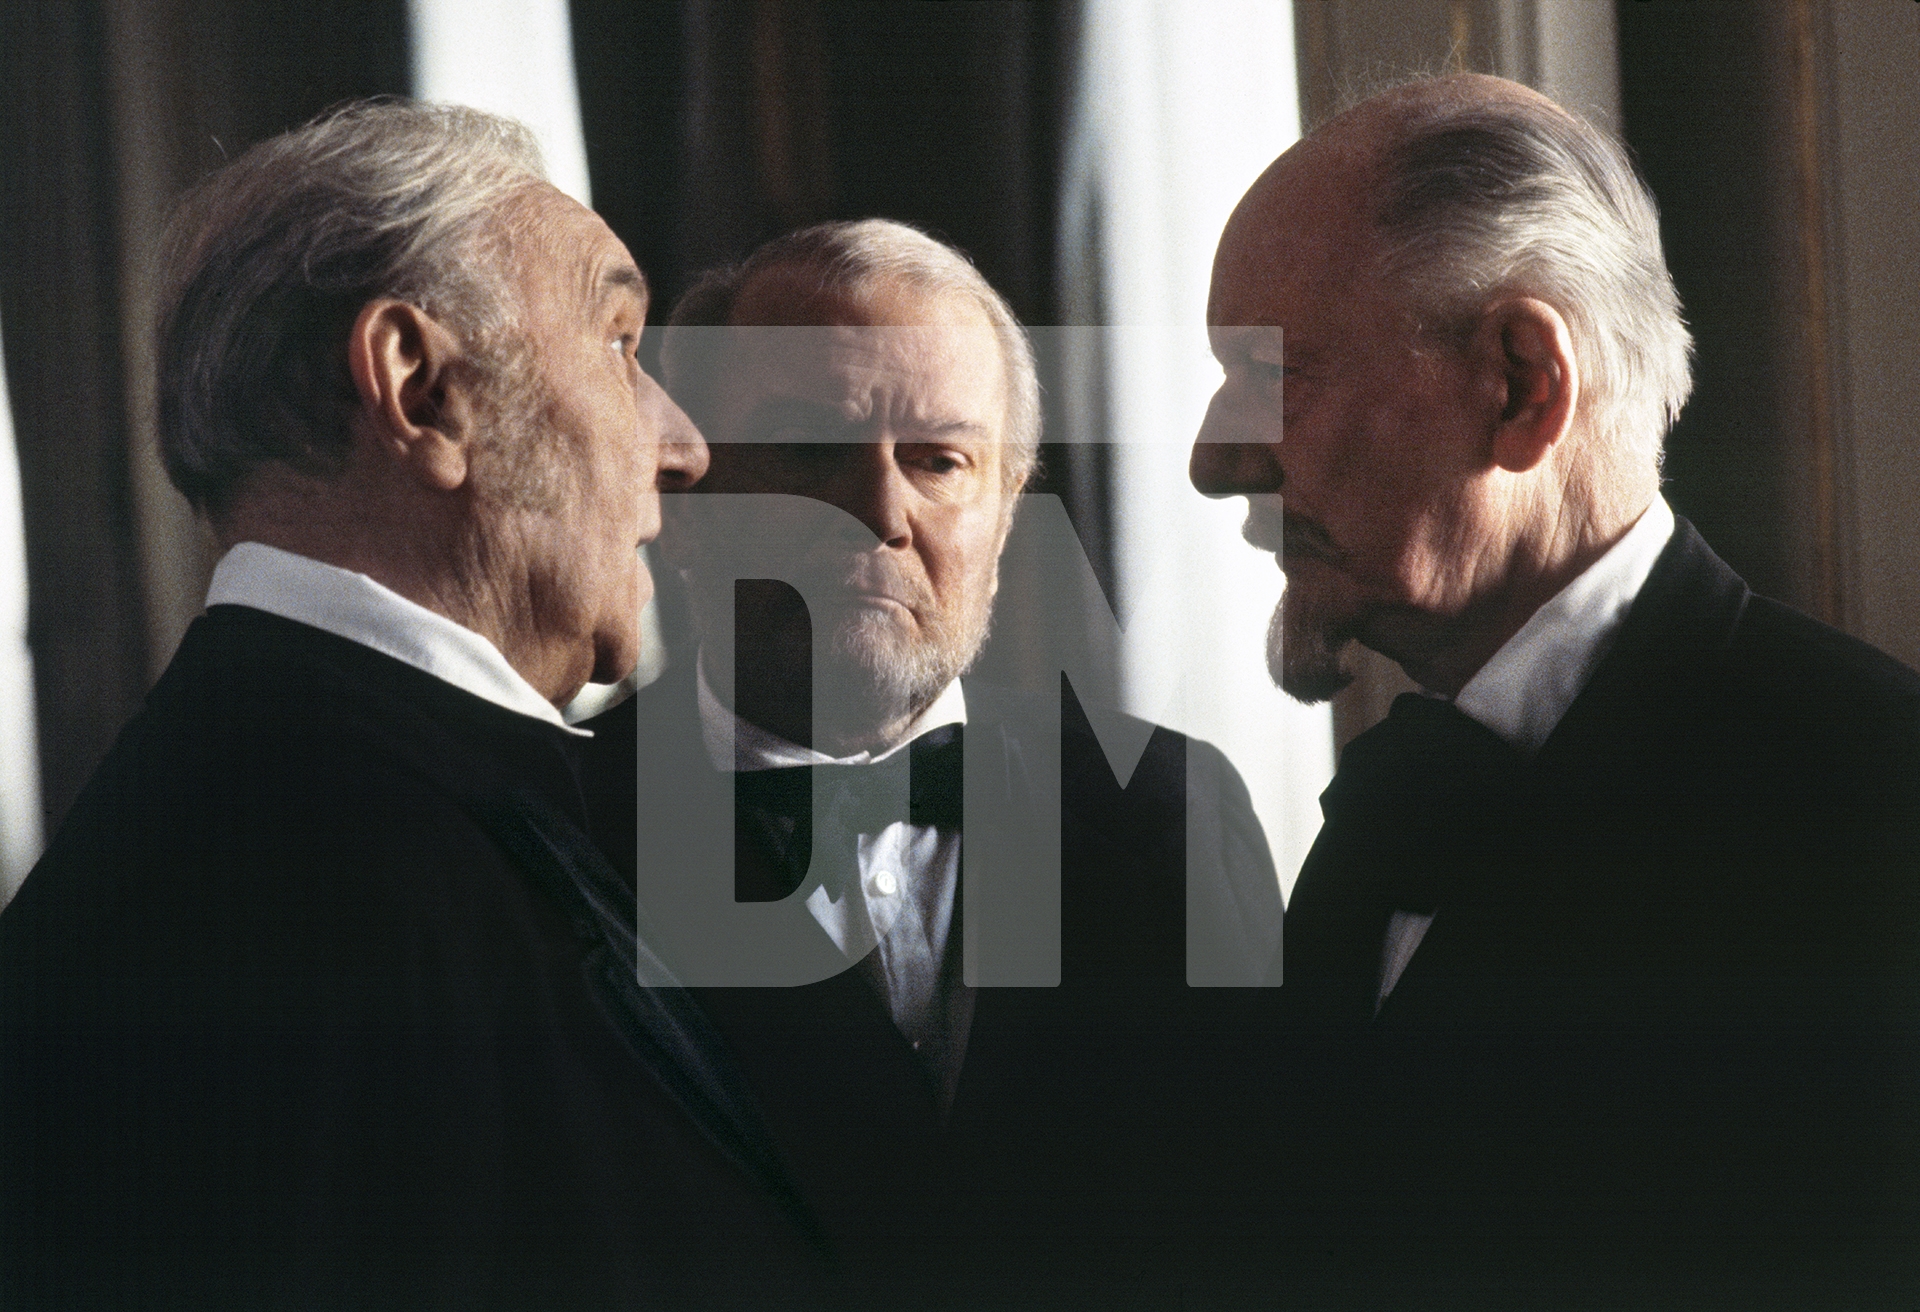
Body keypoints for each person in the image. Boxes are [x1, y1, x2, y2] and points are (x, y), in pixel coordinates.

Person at [0, 101, 833, 1307]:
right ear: (422, 389)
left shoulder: (339, 796)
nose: (683, 443)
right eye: (617, 342)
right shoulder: (285, 878)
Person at [1191, 73, 1920, 1301]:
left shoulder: (1875, 813)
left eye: (1276, 374)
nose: (1215, 457)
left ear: (1524, 382)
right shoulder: (1388, 822)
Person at [578, 219, 1284, 1300]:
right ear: (686, 502)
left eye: (941, 460)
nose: (880, 511)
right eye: (812, 450)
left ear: (1004, 515)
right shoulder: (557, 828)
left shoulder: (1167, 814)